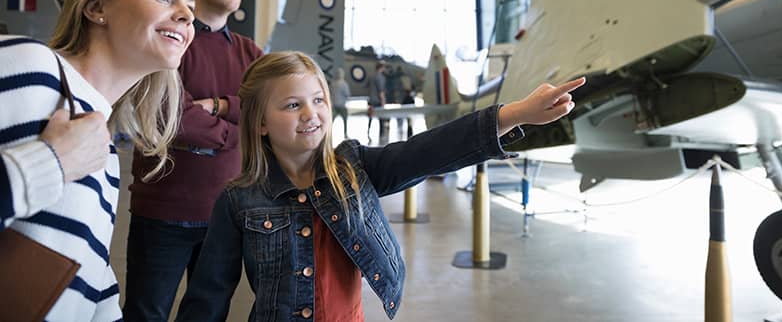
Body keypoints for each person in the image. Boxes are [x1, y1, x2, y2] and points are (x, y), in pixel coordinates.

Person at [175, 51, 585, 321]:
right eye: (292, 104)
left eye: (318, 100)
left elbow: (430, 150)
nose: (311, 113)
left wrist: (516, 114)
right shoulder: (239, 200)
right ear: (261, 122)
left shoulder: (354, 168)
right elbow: (207, 296)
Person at [0, 0, 195, 320]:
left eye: (189, 7)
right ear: (97, 8)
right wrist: (47, 165)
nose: (187, 15)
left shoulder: (104, 156)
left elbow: (88, 285)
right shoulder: (29, 67)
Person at [124, 0, 263, 321]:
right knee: (145, 312)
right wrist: (238, 130)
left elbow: (265, 112)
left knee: (208, 313)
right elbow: (171, 118)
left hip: (225, 215)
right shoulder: (168, 41)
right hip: (164, 211)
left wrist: (218, 106)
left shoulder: (251, 54)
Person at [366, 60, 388, 143]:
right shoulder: (380, 77)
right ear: (382, 67)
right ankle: (381, 136)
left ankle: (368, 133)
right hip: (378, 101)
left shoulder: (371, 76)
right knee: (381, 119)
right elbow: (381, 91)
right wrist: (383, 102)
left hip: (371, 100)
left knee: (370, 118)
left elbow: (367, 87)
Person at [330, 68, 351, 139]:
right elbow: (347, 94)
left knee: (331, 121)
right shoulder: (344, 84)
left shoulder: (333, 84)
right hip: (342, 105)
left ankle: (328, 134)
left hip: (334, 105)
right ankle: (345, 134)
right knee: (345, 120)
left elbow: (330, 94)